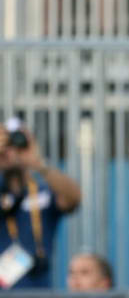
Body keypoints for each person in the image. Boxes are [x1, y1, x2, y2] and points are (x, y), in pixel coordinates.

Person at [0, 118, 81, 289]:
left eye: (15, 143)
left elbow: (73, 198)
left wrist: (37, 163)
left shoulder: (43, 191)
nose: (9, 151)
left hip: (38, 288)